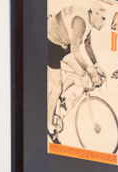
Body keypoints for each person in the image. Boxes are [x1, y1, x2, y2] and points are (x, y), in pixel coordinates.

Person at [47, 1, 109, 143]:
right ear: (94, 14)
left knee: (80, 71)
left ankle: (61, 95)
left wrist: (96, 65)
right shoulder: (81, 21)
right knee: (56, 87)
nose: (104, 22)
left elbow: (87, 44)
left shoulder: (88, 20)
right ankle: (49, 125)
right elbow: (75, 50)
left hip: (63, 45)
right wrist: (92, 72)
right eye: (103, 18)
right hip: (51, 43)